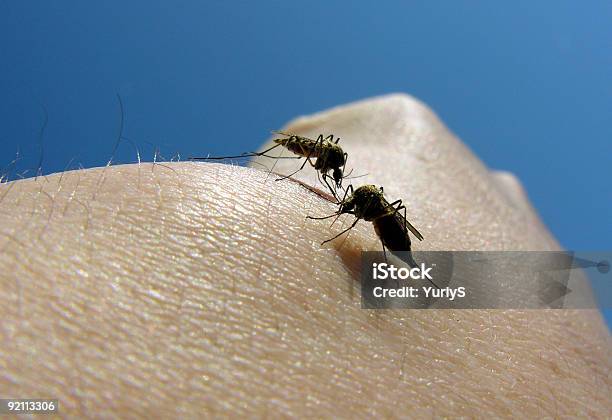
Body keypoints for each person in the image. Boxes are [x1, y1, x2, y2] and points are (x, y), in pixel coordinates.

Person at [0, 94, 609, 417]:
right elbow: (358, 204)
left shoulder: (358, 193)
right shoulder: (345, 179)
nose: (334, 173)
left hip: (391, 230)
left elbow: (362, 207)